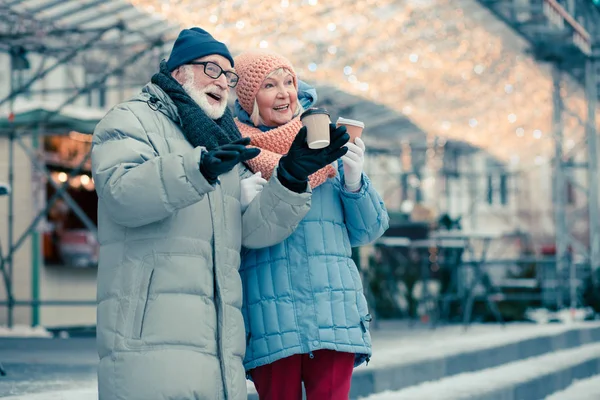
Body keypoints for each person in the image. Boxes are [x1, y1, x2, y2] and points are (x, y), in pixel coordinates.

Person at [91, 28, 349, 400]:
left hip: (217, 345)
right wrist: (196, 170)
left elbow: (251, 233)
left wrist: (290, 177)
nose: (222, 83)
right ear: (178, 70)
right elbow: (122, 195)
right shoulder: (131, 120)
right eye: (212, 69)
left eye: (228, 76)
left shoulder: (223, 141)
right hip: (149, 337)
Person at [234, 50, 390, 400]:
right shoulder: (235, 154)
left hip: (333, 311)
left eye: (289, 82)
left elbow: (369, 230)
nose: (283, 93)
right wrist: (235, 203)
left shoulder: (323, 146)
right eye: (269, 85)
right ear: (249, 98)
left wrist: (354, 179)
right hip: (270, 320)